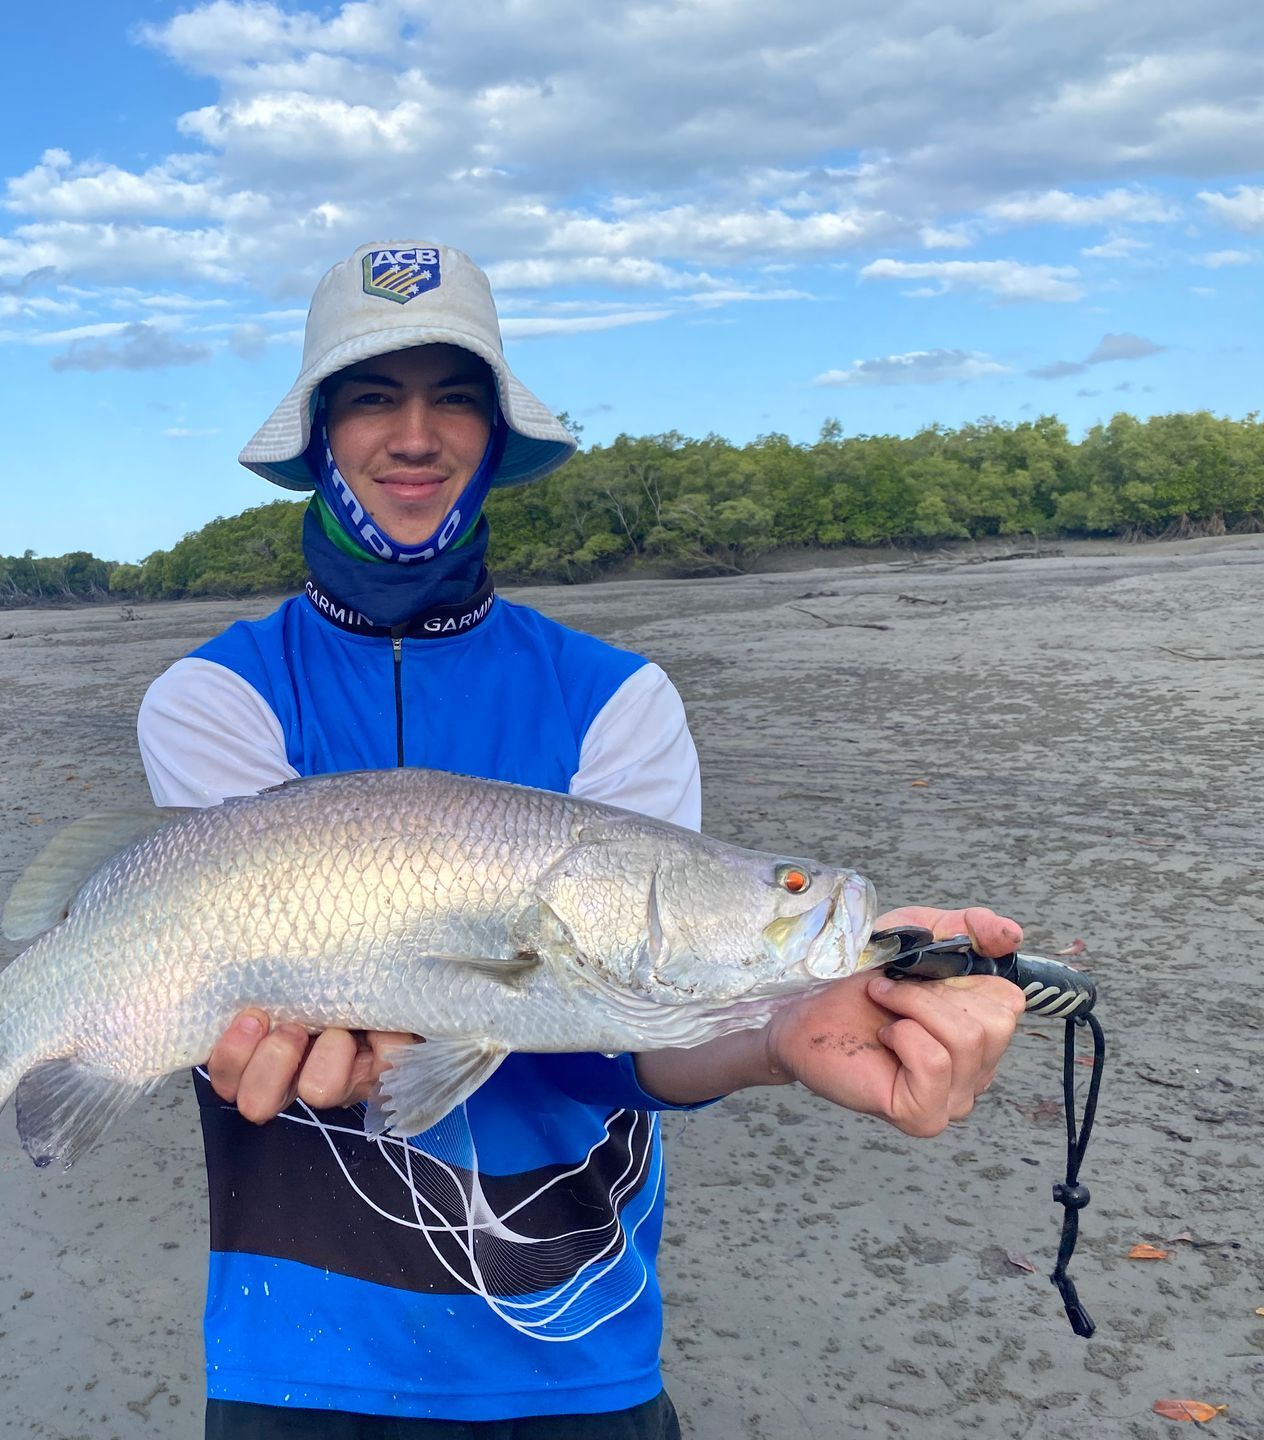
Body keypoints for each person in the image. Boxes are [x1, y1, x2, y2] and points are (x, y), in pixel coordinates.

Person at [136, 240, 1025, 1438]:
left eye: (454, 396)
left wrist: (778, 1035)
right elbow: (221, 982)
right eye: (371, 396)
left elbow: (632, 1033)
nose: (415, 434)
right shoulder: (213, 698)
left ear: (496, 436)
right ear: (321, 437)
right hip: (297, 1353)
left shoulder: (620, 699)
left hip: (576, 1339)